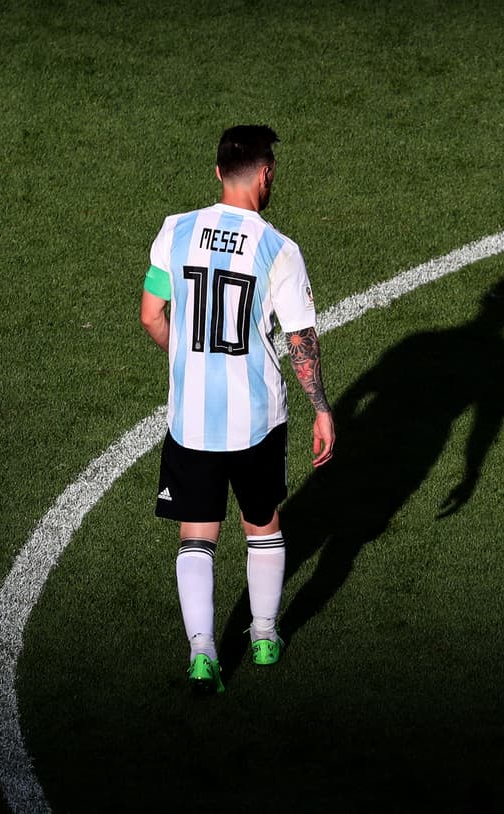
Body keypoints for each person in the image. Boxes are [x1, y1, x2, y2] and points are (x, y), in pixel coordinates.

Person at [139, 124, 334, 695]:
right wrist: (321, 408)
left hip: (190, 420)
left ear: (219, 172)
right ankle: (266, 636)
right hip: (255, 421)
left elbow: (152, 315)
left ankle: (203, 654)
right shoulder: (278, 248)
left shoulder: (174, 231)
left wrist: (188, 360)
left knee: (196, 536)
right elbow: (300, 339)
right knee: (262, 524)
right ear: (266, 174)